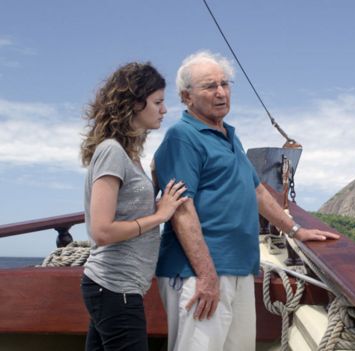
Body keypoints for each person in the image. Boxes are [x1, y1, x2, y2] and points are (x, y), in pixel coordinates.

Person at [153, 50, 340, 351]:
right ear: (187, 97)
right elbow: (181, 211)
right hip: (199, 273)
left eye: (224, 84)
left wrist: (295, 230)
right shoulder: (181, 137)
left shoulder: (230, 137)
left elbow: (257, 192)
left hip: (239, 268)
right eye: (209, 86)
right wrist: (206, 274)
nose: (220, 92)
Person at [79, 62, 188, 351]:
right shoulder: (112, 152)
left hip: (116, 289)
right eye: (158, 102)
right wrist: (160, 215)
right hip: (115, 288)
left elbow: (126, 209)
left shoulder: (130, 156)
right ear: (135, 104)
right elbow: (101, 230)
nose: (164, 110)